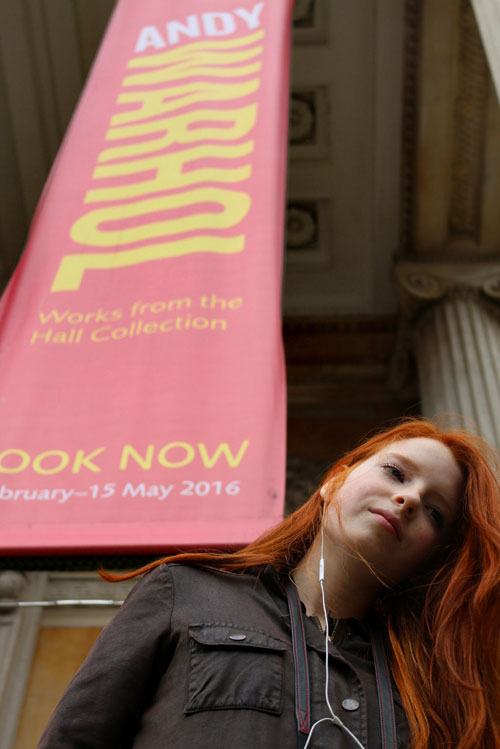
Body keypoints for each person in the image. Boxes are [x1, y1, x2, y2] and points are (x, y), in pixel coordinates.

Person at [37, 418, 500, 748]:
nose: (408, 498)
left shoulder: (429, 687)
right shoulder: (184, 590)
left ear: (430, 559)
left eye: (435, 512)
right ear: (333, 483)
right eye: (395, 472)